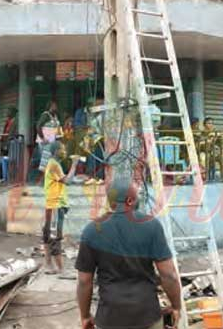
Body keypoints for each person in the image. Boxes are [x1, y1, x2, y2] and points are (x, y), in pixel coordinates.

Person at [76, 176, 181, 329]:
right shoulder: (152, 226)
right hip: (147, 316)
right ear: (130, 201)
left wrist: (85, 316)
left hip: (109, 318)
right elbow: (169, 275)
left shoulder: (91, 231)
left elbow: (84, 281)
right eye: (136, 195)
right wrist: (176, 306)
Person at [42, 141, 78, 275]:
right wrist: (74, 164)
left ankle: (48, 265)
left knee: (48, 236)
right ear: (56, 151)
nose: (65, 152)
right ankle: (61, 270)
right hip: (55, 205)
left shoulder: (53, 164)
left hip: (52, 204)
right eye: (62, 149)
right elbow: (67, 181)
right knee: (55, 237)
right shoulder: (54, 165)